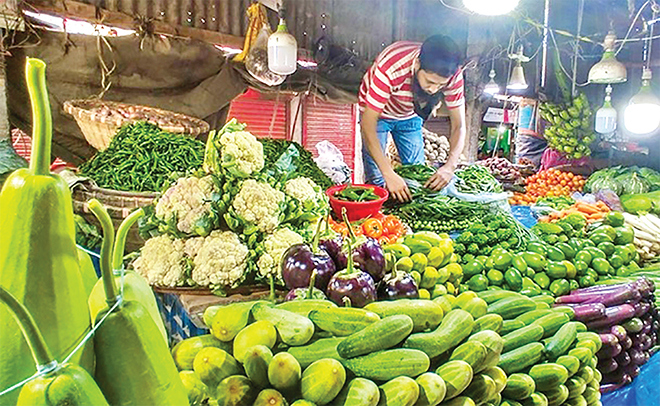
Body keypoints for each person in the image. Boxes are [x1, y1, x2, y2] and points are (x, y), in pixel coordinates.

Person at [358, 35, 467, 202]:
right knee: (378, 178)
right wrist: (388, 173)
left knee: (418, 176)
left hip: (409, 115)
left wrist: (450, 166)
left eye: (440, 85)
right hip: (377, 115)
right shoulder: (391, 66)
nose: (434, 89)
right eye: (430, 81)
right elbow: (368, 124)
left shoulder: (453, 76)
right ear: (417, 65)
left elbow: (459, 125)